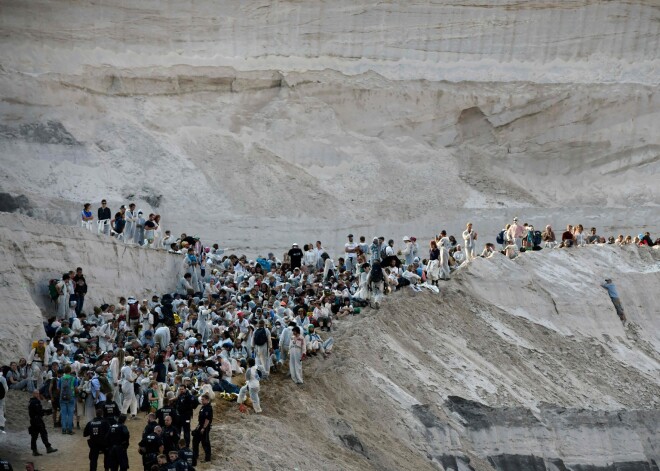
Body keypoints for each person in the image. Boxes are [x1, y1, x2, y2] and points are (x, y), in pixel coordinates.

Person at [28, 390, 57, 456]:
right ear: (34, 394)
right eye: (36, 394)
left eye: (38, 393)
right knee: (43, 434)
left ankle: (35, 450)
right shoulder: (35, 402)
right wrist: (48, 412)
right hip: (37, 421)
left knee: (35, 436)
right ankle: (48, 448)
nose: (38, 395)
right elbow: (40, 412)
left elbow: (39, 411)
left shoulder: (31, 401)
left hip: (34, 420)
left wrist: (47, 412)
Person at [192, 393, 213, 466]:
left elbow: (207, 419)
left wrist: (203, 428)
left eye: (203, 400)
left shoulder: (208, 408)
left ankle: (207, 458)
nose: (202, 401)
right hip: (200, 425)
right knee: (195, 440)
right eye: (201, 399)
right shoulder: (203, 407)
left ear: (207, 400)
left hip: (205, 427)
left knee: (205, 442)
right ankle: (195, 456)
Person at [58, 364, 78, 435]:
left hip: (62, 398)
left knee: (63, 414)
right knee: (70, 414)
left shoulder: (61, 378)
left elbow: (58, 388)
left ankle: (63, 429)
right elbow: (76, 389)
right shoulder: (73, 378)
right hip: (71, 397)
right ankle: (69, 430)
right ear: (70, 371)